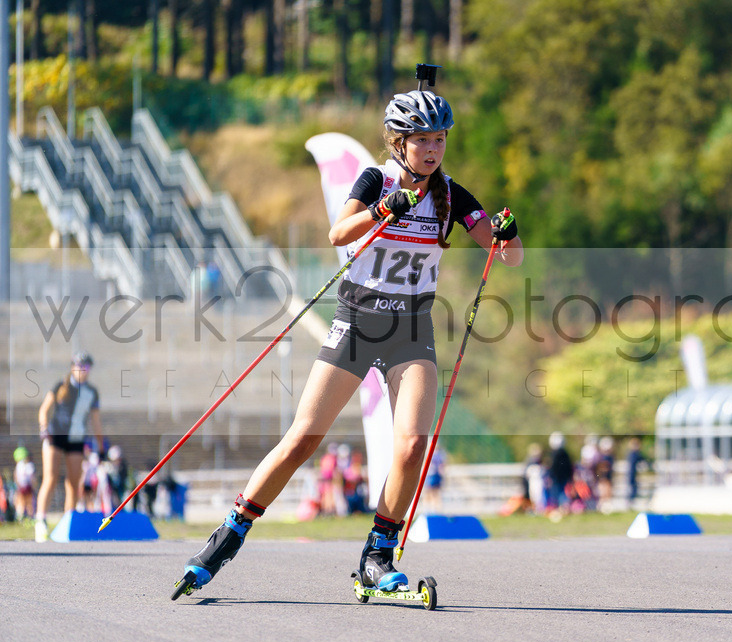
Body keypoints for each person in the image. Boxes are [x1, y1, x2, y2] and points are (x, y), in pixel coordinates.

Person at [176, 83, 523, 595]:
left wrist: (507, 233)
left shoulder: (452, 194)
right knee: (304, 438)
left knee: (410, 447)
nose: (432, 149)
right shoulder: (376, 178)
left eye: (440, 139)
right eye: (421, 138)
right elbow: (340, 235)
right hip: (358, 322)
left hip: (410, 329)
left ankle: (378, 554)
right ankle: (228, 535)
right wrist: (385, 210)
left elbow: (506, 255)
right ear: (398, 141)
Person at [35, 352, 104, 542]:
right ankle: (40, 520)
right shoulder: (61, 385)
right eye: (79, 367)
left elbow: (95, 421)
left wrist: (101, 445)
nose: (82, 371)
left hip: (76, 438)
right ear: (73, 367)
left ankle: (68, 521)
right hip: (55, 436)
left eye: (86, 368)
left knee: (74, 482)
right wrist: (43, 428)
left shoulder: (92, 392)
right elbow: (44, 409)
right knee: (51, 477)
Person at [546, 432, 574, 513]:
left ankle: (560, 509)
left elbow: (552, 467)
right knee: (562, 494)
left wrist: (550, 476)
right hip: (562, 477)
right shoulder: (565, 453)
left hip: (557, 478)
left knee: (558, 494)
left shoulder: (554, 454)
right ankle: (562, 509)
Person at [13, 445, 36, 521]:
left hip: (21, 486)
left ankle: (21, 516)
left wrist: (17, 485)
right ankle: (30, 516)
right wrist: (33, 486)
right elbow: (32, 477)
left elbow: (16, 476)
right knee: (29, 502)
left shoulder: (19, 465)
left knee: (21, 502)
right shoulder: (30, 465)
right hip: (28, 486)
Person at [626, 437, 651, 504]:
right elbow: (642, 459)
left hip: (631, 473)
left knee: (633, 487)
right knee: (633, 487)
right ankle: (631, 501)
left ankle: (631, 501)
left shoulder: (631, 453)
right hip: (632, 473)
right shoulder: (634, 453)